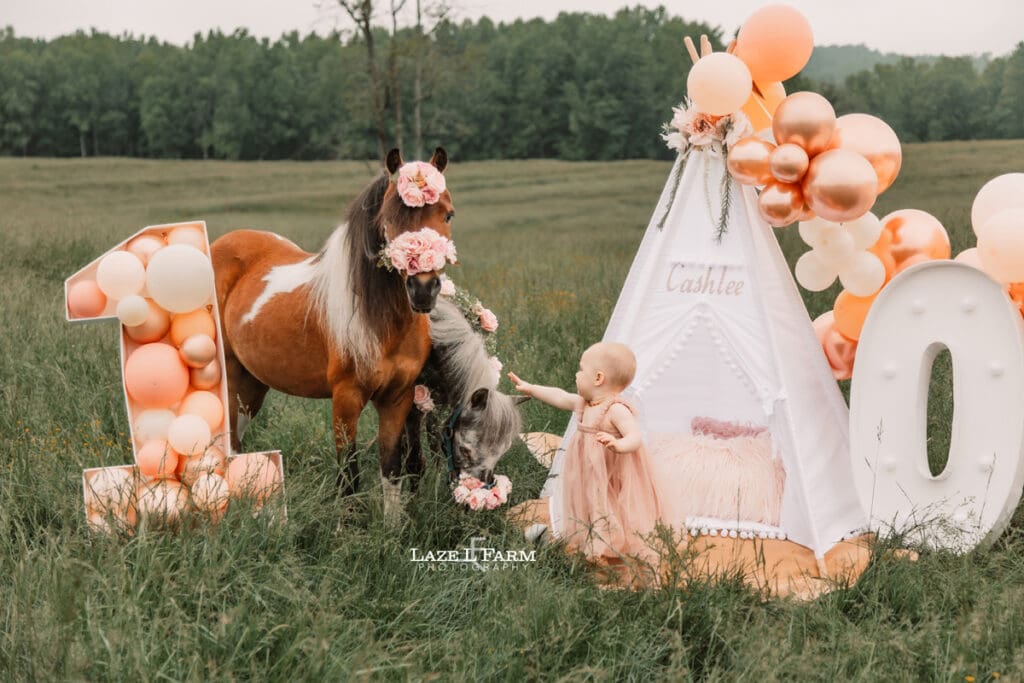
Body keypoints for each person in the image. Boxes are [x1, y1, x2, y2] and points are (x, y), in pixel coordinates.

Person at [508, 342, 665, 569]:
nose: (576, 374)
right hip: (586, 468)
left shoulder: (615, 409)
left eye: (581, 370)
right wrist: (531, 388)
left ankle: (607, 544)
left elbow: (635, 436)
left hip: (611, 469)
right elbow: (560, 397)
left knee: (606, 503)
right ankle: (591, 539)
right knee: (587, 501)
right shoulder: (585, 403)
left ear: (598, 378)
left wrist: (619, 444)